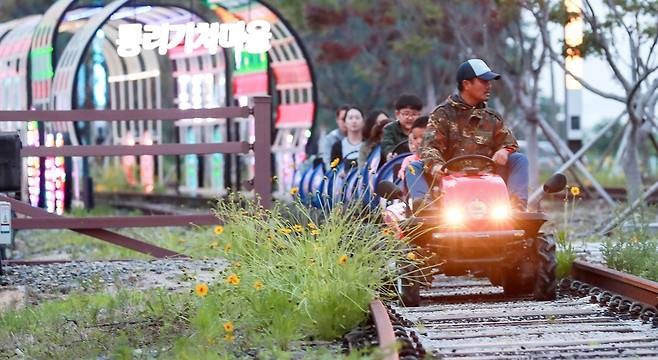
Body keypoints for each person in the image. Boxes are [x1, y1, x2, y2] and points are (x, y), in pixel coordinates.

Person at [407, 58, 529, 210]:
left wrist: (504, 151)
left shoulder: (492, 117)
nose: (489, 86)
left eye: (489, 82)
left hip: (488, 178)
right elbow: (429, 148)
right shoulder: (442, 114)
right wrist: (437, 166)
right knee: (414, 167)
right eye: (484, 81)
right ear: (466, 84)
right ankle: (425, 209)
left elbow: (510, 143)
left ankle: (517, 208)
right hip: (449, 179)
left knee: (519, 159)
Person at [380, 94, 423, 161]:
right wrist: (390, 154)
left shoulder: (424, 128)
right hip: (396, 162)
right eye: (406, 114)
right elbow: (386, 145)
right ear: (397, 114)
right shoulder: (389, 129)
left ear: (420, 115)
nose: (410, 118)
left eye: (414, 114)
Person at [330, 106, 366, 171]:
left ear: (363, 121)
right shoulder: (337, 147)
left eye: (357, 118)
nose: (354, 121)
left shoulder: (369, 144)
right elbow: (334, 171)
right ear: (345, 122)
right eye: (350, 118)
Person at [398, 116, 428, 181]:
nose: (419, 141)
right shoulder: (409, 160)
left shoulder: (443, 157)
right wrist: (402, 172)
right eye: (415, 138)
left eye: (423, 137)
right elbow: (404, 172)